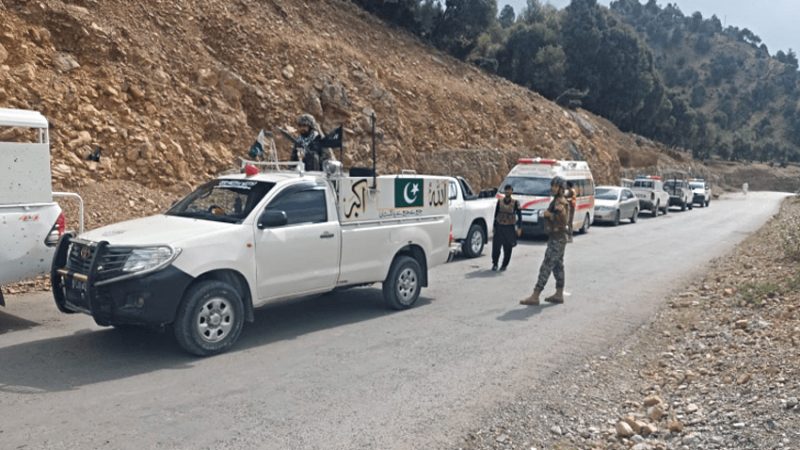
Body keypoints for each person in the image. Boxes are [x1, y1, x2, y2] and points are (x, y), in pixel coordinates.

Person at [521, 176, 570, 306]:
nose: (552, 188)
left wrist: (550, 215)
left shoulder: (560, 202)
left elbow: (563, 220)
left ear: (560, 188)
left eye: (555, 186)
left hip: (557, 239)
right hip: (557, 238)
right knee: (558, 266)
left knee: (546, 265)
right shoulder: (556, 200)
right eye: (552, 185)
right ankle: (559, 294)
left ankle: (535, 295)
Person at [491, 184, 522, 272]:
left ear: (512, 191)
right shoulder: (500, 201)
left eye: (509, 190)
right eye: (506, 190)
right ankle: (495, 264)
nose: (507, 191)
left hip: (510, 228)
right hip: (499, 227)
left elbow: (519, 215)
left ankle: (504, 265)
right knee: (496, 247)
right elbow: (496, 214)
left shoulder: (515, 203)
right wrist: (494, 226)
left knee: (508, 248)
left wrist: (519, 227)